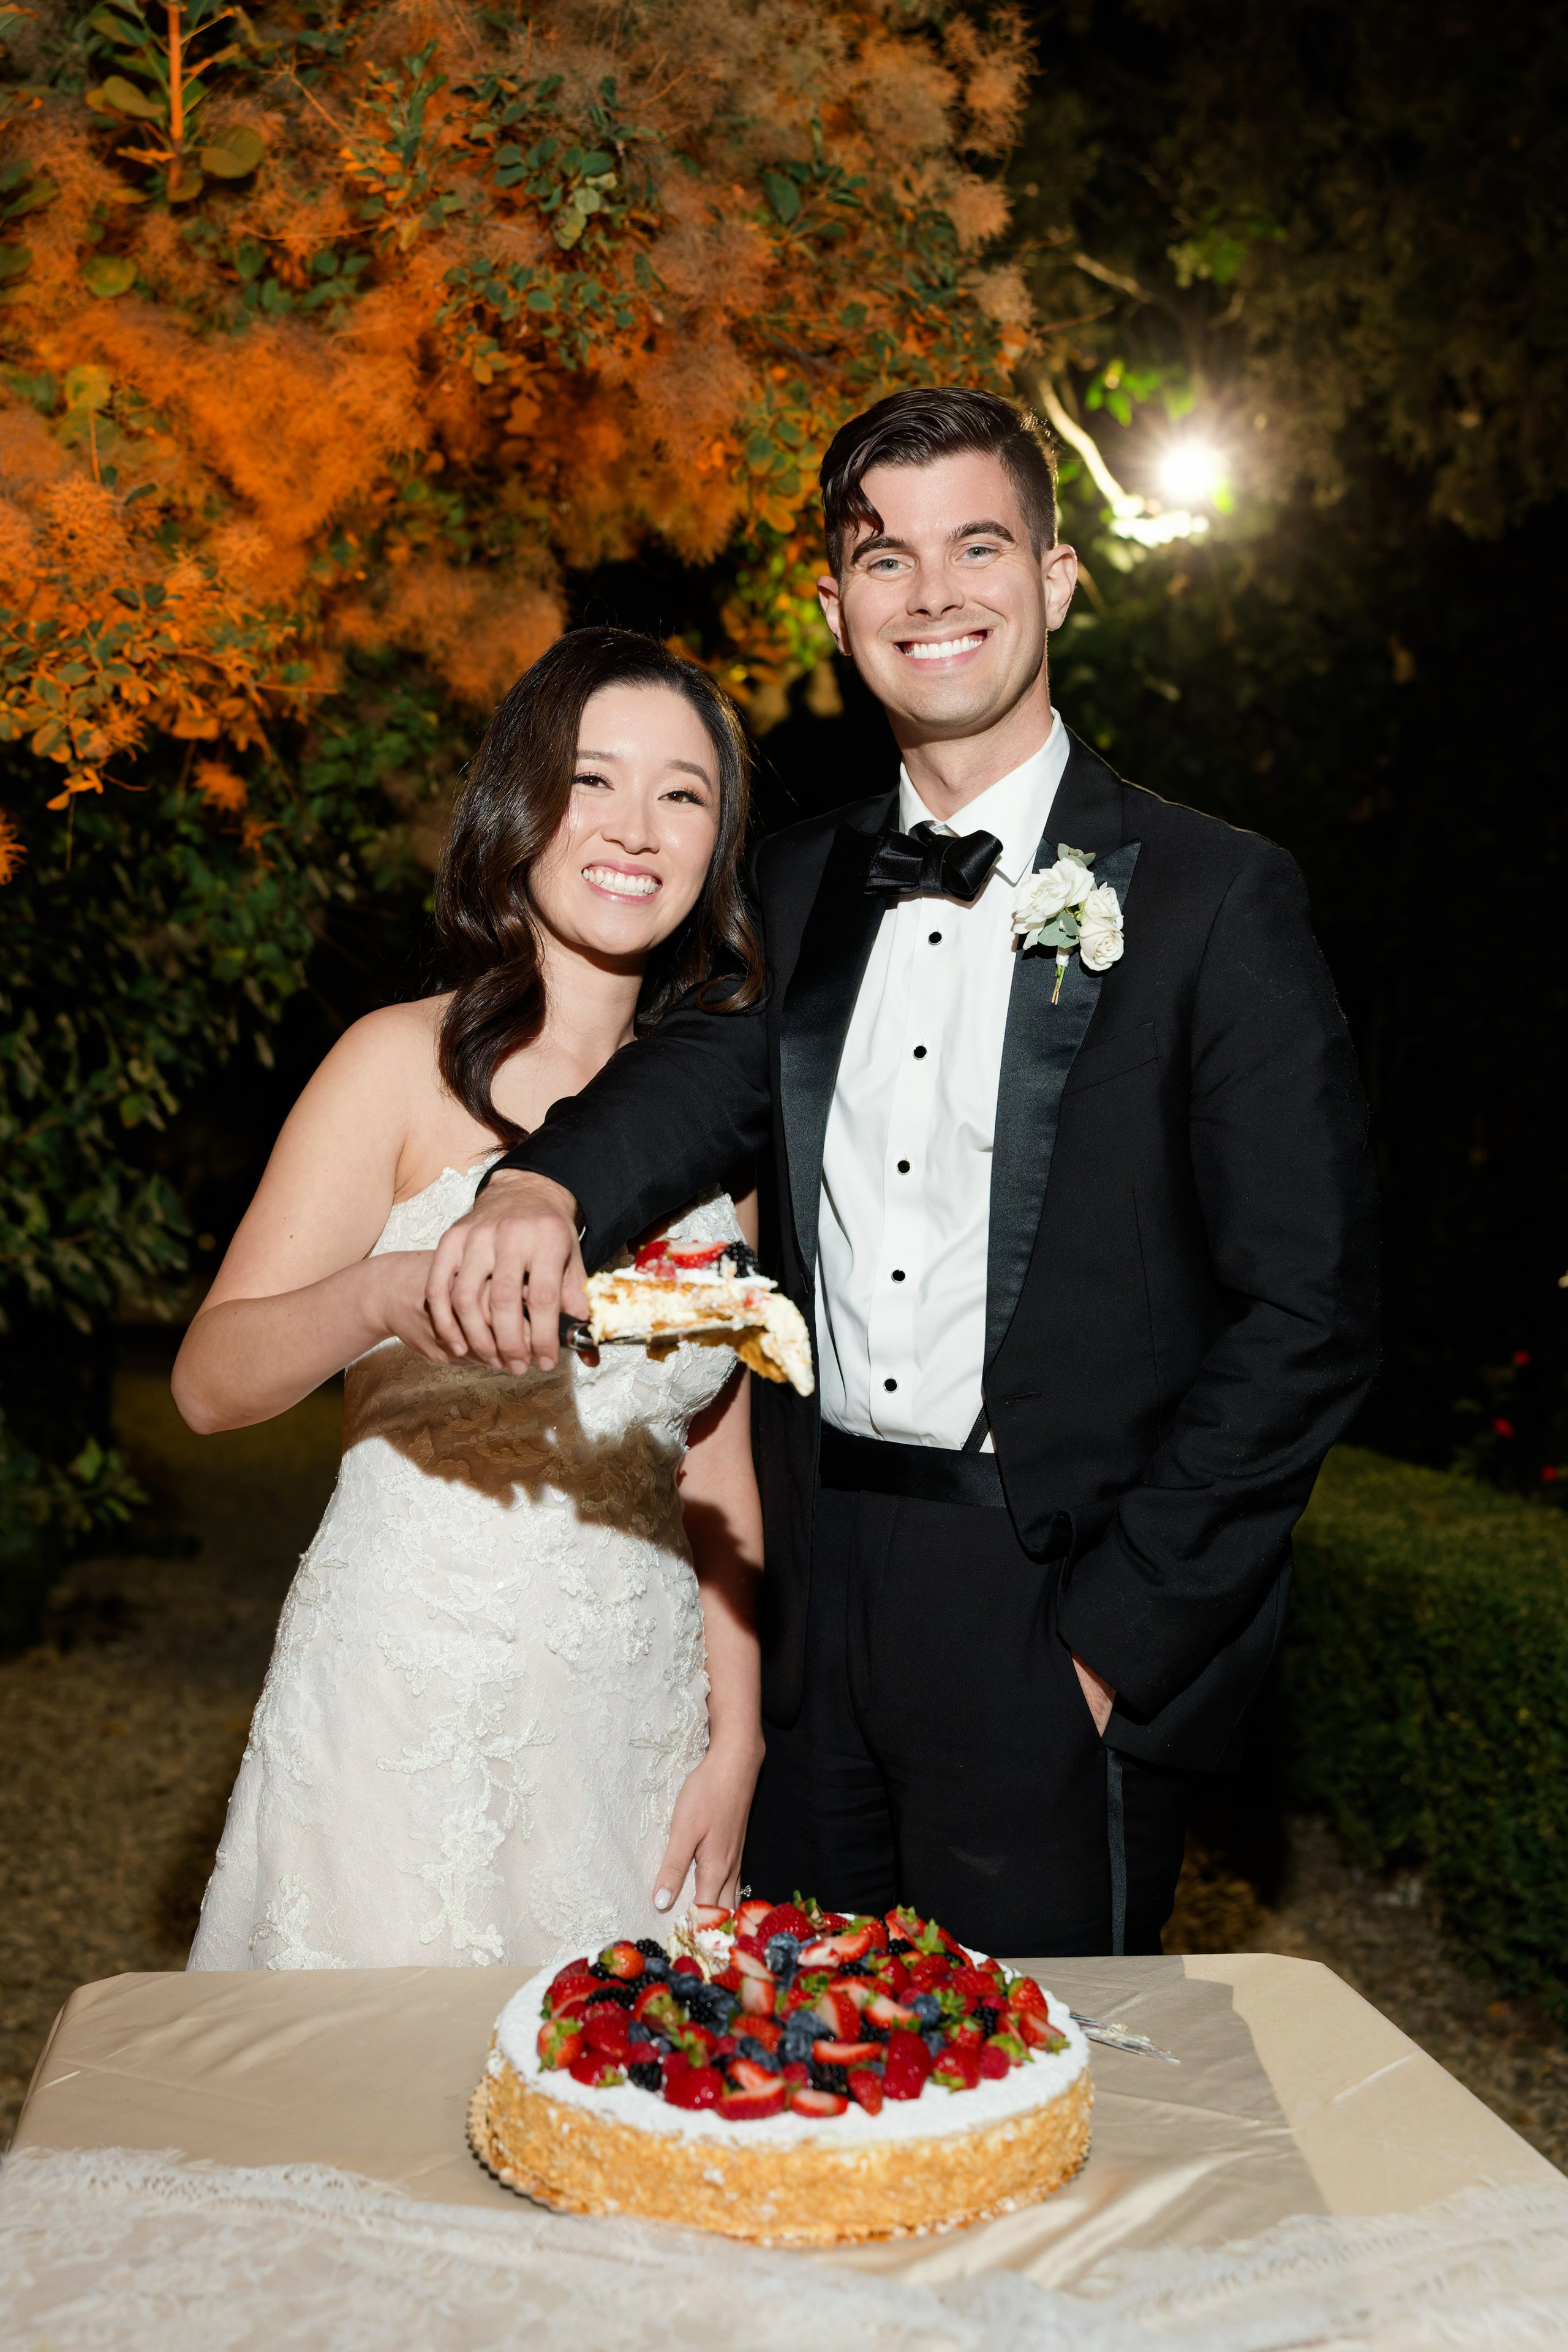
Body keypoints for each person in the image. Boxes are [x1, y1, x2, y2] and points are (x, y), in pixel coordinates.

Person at [421, 387, 1381, 1959]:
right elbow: (699, 1078)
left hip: (1047, 1595)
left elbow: (1308, 1313)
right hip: (813, 1595)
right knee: (804, 2094)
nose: (931, 594)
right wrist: (543, 1186)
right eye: (883, 559)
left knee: (1045, 2116)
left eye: (977, 546)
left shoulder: (1216, 899)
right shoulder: (796, 881)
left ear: (1057, 580)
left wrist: (1108, 1647)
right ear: (833, 606)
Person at [173, 629, 768, 1970]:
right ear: (519, 808)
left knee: (620, 2122)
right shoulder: (393, 1064)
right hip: (409, 1694)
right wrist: (389, 1292)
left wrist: (736, 1738)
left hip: (636, 1710)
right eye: (591, 780)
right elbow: (210, 1386)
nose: (633, 828)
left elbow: (716, 1452)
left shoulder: (718, 1127)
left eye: (681, 793)